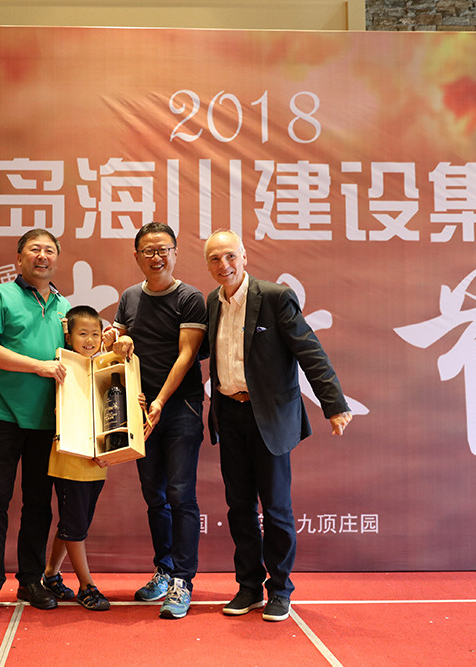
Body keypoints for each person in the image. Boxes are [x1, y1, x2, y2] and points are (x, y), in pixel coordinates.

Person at [203, 229, 353, 622]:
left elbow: (310, 351)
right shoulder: (212, 302)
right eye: (215, 259)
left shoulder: (274, 297)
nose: (224, 265)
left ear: (244, 257)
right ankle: (249, 586)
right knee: (239, 506)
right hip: (229, 414)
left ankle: (280, 589)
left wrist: (334, 404)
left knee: (276, 508)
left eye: (230, 256)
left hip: (268, 417)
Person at [104, 222, 207, 619]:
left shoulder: (190, 298)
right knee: (154, 495)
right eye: (148, 251)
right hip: (140, 410)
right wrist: (114, 338)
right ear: (137, 257)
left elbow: (186, 355)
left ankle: (182, 580)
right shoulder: (130, 297)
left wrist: (161, 400)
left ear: (176, 253)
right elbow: (116, 343)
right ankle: (163, 570)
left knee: (181, 494)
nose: (156, 257)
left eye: (163, 249)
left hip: (180, 408)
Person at [0, 229, 70, 620]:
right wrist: (39, 366)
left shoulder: (64, 306)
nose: (42, 256)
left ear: (56, 259)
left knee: (38, 505)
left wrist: (112, 339)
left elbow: (79, 355)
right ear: (19, 258)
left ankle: (31, 580)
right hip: (4, 416)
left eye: (49, 250)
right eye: (34, 249)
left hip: (47, 421)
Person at [40, 305, 113, 611]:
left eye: (95, 333)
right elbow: (66, 413)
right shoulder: (63, 366)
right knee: (75, 526)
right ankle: (86, 586)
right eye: (82, 333)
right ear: (68, 336)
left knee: (73, 523)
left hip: (97, 464)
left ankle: (50, 574)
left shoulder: (105, 367)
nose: (90, 340)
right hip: (70, 461)